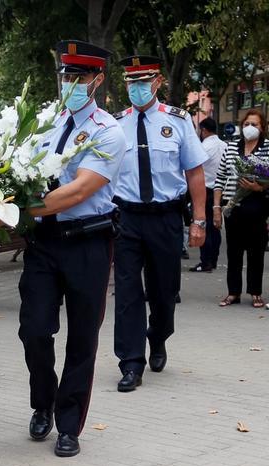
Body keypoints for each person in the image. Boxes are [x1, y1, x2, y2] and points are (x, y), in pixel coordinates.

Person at [19, 41, 125, 458]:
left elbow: (80, 189)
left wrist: (15, 211)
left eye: (79, 77)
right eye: (66, 75)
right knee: (34, 331)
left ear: (97, 80)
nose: (71, 83)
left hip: (88, 242)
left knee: (82, 338)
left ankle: (68, 424)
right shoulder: (44, 122)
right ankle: (42, 400)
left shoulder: (107, 130)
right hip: (43, 243)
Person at [112, 55, 207, 393]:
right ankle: (131, 362)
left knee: (164, 292)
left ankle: (159, 336)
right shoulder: (115, 124)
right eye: (130, 82)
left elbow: (194, 172)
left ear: (157, 82)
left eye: (142, 81)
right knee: (126, 292)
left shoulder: (178, 121)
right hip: (127, 219)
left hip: (166, 216)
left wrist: (199, 220)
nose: (135, 88)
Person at [214, 109, 269, 308]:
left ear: (262, 128)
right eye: (246, 124)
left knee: (256, 252)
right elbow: (219, 179)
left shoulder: (267, 148)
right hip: (232, 206)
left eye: (254, 124)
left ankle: (255, 292)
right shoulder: (231, 147)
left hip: (257, 206)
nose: (250, 128)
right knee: (234, 252)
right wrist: (216, 208)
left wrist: (259, 186)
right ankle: (233, 292)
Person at [190, 118, 226, 273]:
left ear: (203, 130)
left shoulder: (203, 147)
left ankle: (205, 262)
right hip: (220, 190)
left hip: (206, 189)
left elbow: (195, 169)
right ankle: (214, 260)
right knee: (215, 227)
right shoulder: (225, 145)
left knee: (204, 225)